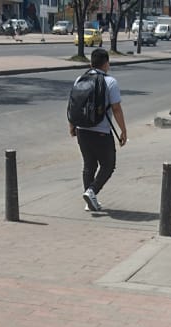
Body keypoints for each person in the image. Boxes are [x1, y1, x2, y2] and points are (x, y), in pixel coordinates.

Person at [69, 48, 128, 212]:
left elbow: (74, 105)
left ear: (91, 63)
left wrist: (72, 125)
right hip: (101, 131)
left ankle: (89, 201)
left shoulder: (80, 79)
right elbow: (116, 109)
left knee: (89, 165)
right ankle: (91, 191)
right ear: (106, 64)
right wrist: (123, 130)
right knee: (108, 165)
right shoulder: (110, 82)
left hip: (82, 129)